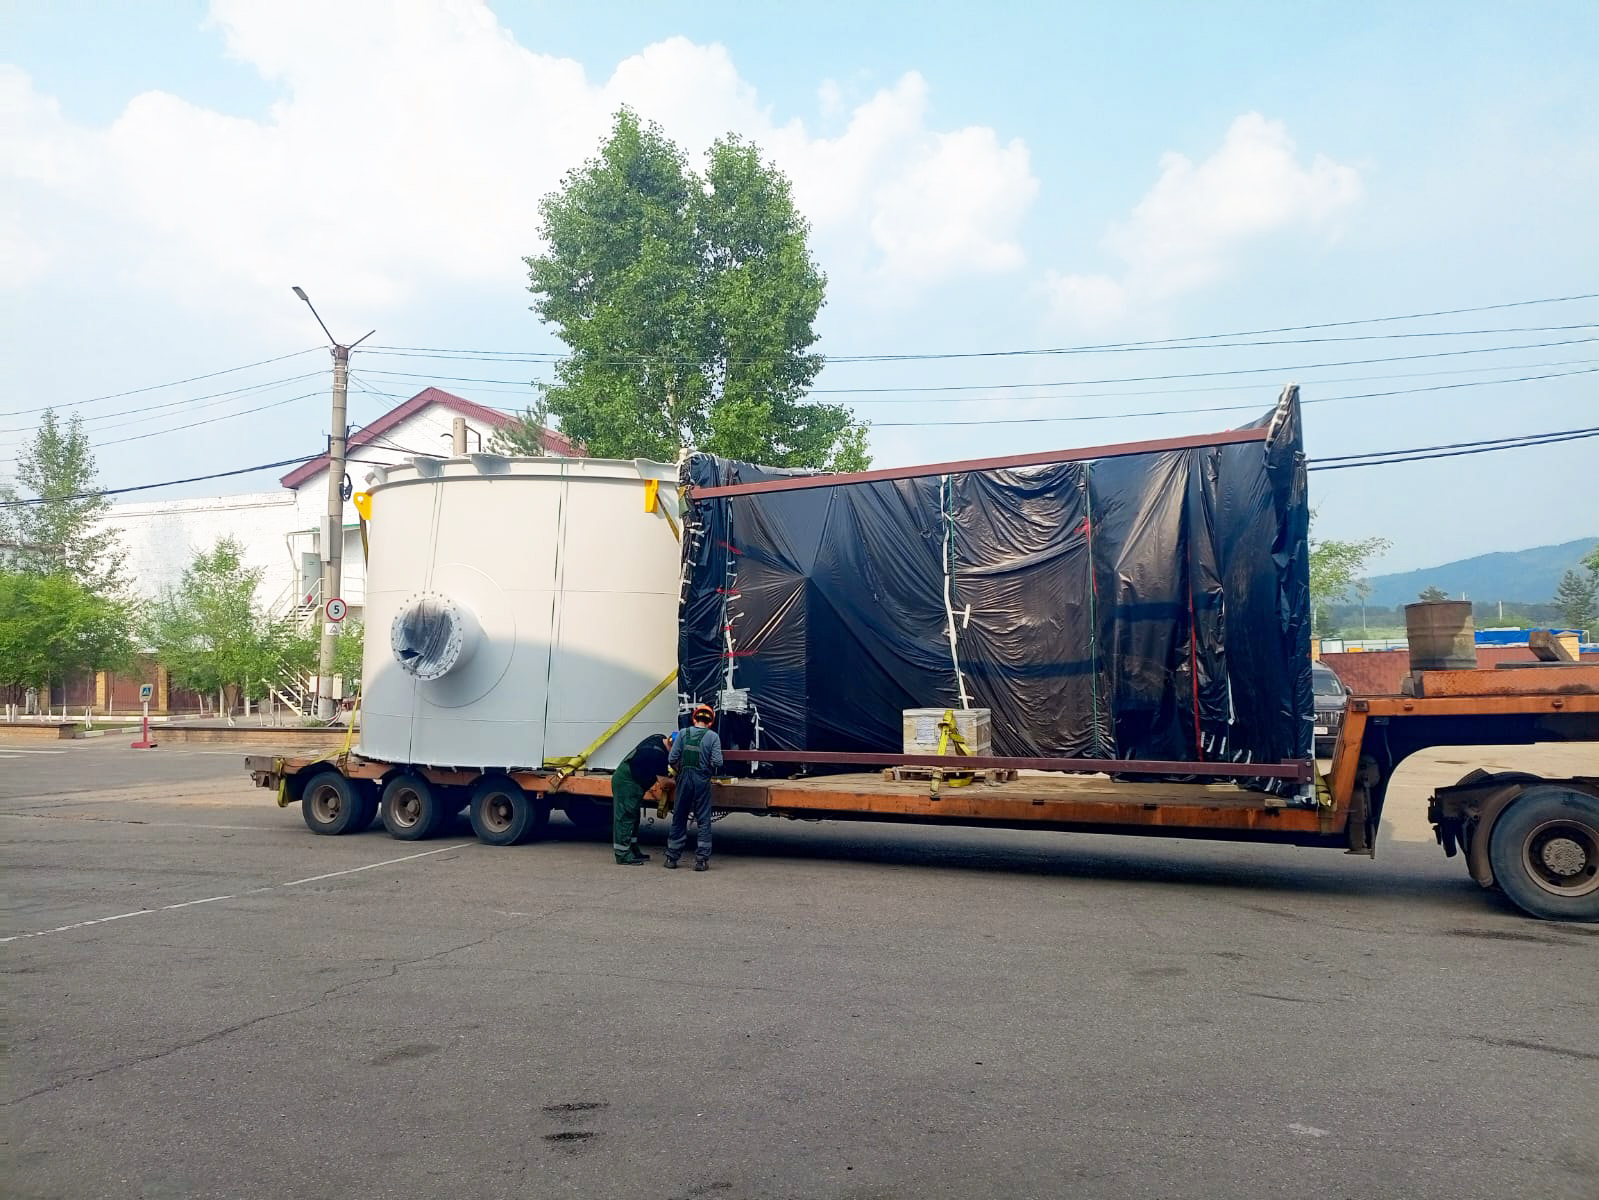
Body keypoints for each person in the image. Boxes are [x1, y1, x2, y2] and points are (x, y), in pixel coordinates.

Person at [665, 704, 723, 871]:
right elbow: (718, 762)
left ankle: (671, 857)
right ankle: (701, 860)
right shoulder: (713, 737)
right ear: (710, 721)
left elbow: (672, 758)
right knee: (703, 819)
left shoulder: (683, 734)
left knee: (679, 817)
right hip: (701, 781)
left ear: (694, 718)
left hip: (684, 779)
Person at [611, 732, 672, 866]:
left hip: (632, 781)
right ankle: (623, 854)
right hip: (627, 783)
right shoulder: (658, 755)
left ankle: (632, 849)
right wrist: (677, 780)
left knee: (634, 817)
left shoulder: (659, 738)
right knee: (626, 817)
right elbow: (664, 783)